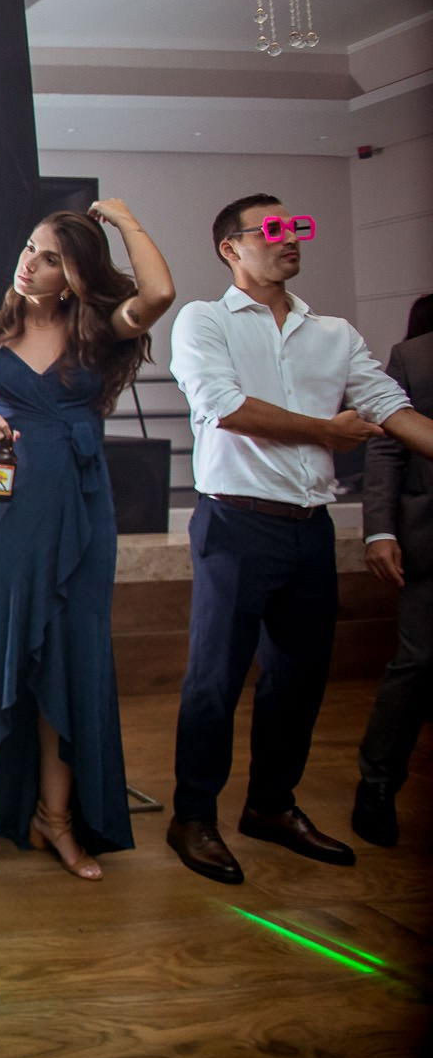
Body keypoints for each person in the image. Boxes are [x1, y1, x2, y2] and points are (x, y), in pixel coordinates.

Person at [165, 195, 433, 885]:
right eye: (274, 230)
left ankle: (270, 806)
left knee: (299, 680)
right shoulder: (204, 320)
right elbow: (223, 407)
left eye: (297, 227)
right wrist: (326, 431)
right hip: (234, 523)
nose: (292, 239)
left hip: (309, 526)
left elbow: (389, 406)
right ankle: (193, 816)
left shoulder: (334, 333)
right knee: (216, 678)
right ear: (231, 247)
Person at [0, 202, 176, 888]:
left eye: (50, 258)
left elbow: (160, 293)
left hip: (80, 511)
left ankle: (56, 817)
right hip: (3, 510)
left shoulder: (98, 330)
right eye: (29, 248)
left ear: (74, 276)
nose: (29, 263)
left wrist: (126, 220)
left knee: (73, 660)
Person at [351, 291, 433, 847]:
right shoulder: (415, 356)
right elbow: (385, 448)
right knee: (419, 661)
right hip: (429, 540)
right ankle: (378, 784)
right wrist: (379, 530)